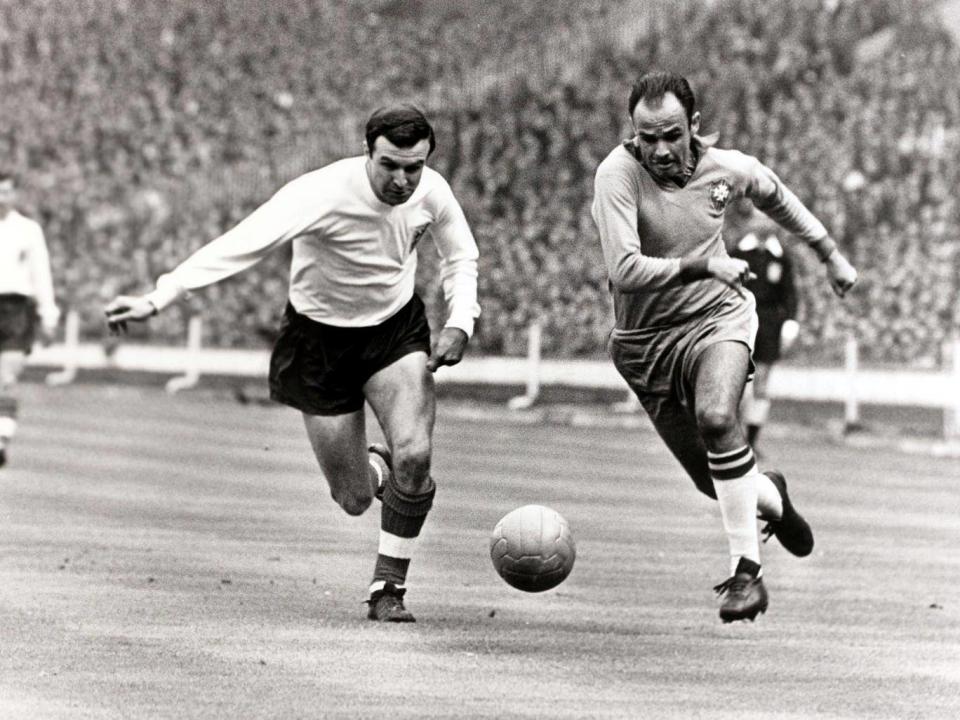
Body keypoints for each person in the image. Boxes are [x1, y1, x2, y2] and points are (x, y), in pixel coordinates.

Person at [105, 105, 480, 623]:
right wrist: (161, 295)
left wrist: (461, 320)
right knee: (352, 498)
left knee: (416, 455)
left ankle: (388, 587)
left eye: (412, 167)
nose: (402, 180)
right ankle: (376, 466)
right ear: (367, 151)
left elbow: (461, 256)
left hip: (394, 331)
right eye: (390, 165)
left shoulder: (432, 191)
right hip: (319, 342)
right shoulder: (319, 194)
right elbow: (241, 243)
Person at [591, 71, 857, 623]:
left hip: (720, 318)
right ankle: (773, 498)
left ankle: (746, 575)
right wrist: (704, 263)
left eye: (671, 134)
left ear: (694, 126)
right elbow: (624, 268)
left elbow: (775, 194)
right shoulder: (617, 175)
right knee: (714, 481)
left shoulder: (725, 169)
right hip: (644, 344)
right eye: (647, 137)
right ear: (633, 132)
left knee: (717, 417)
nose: (659, 149)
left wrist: (828, 252)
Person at [0, 172, 60, 468]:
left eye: (6, 192)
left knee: (7, 378)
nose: (1, 198)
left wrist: (49, 314)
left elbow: (41, 274)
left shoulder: (28, 230)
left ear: (14, 195)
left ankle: (1, 439)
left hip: (15, 310)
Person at [730, 202, 800, 454]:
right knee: (735, 383)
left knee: (761, 383)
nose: (764, 223)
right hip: (740, 321)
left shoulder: (781, 257)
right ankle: (732, 440)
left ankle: (752, 440)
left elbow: (790, 294)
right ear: (750, 221)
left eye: (768, 219)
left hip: (770, 324)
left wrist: (790, 323)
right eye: (759, 218)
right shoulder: (737, 252)